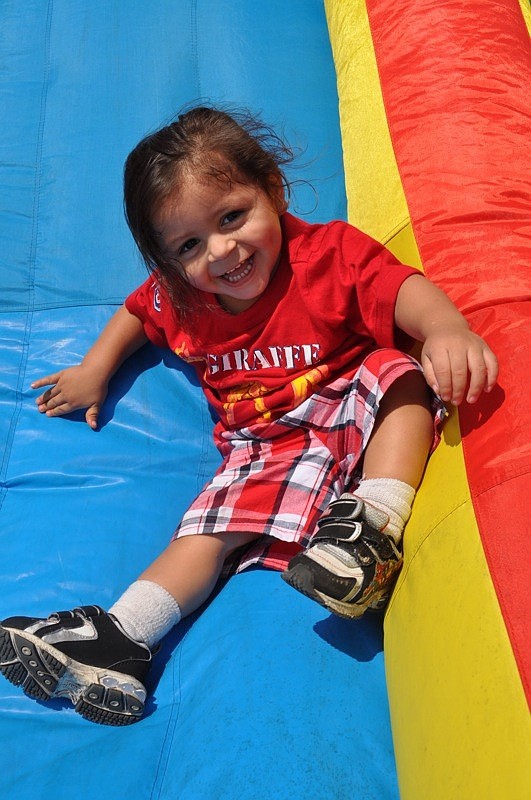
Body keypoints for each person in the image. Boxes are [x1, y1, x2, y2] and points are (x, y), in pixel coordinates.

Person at [0, 106, 498, 726]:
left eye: (233, 216)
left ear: (273, 187)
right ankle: (122, 639)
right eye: (188, 245)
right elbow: (137, 312)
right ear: (166, 260)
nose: (222, 251)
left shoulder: (327, 255)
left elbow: (399, 289)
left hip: (347, 397)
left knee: (399, 373)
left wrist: (447, 326)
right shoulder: (182, 297)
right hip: (262, 442)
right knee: (209, 528)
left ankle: (372, 528)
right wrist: (95, 367)